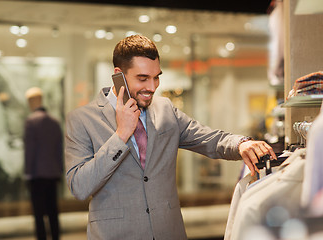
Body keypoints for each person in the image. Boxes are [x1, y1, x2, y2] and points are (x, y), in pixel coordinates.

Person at [65, 35, 276, 240]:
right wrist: (121, 135)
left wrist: (241, 143)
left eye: (156, 77)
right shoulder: (82, 119)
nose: (152, 87)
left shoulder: (165, 109)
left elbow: (208, 138)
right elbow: (80, 186)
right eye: (142, 78)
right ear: (118, 75)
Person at [24, 87, 63, 240]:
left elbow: (30, 151)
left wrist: (27, 173)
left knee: (39, 214)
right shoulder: (54, 122)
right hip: (53, 174)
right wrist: (60, 170)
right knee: (53, 211)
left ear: (32, 101)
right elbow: (59, 149)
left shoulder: (31, 121)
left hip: (37, 175)